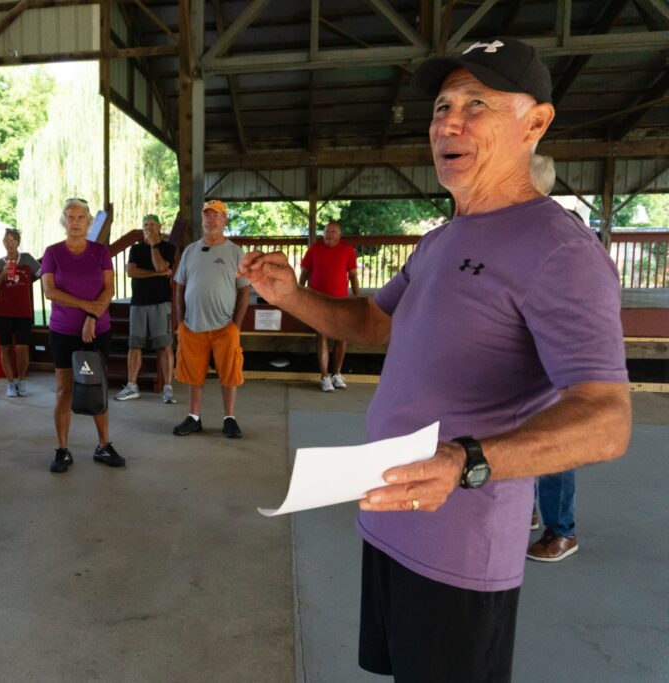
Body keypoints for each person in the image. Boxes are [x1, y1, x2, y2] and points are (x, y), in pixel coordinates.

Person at [238, 38, 631, 681]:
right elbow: (370, 323)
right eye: (443, 105)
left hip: (462, 552)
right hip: (391, 524)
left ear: (535, 123)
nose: (449, 121)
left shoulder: (560, 249)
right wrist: (291, 295)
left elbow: (606, 419)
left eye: (477, 104)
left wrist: (468, 459)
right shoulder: (441, 239)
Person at [40, 198, 124, 473]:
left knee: (97, 387)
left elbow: (109, 289)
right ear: (64, 221)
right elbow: (50, 291)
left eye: (80, 217)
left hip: (97, 331)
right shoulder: (53, 252)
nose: (75, 222)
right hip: (63, 331)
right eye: (70, 217)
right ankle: (62, 450)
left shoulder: (100, 252)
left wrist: (91, 316)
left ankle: (103, 445)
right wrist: (87, 306)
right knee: (64, 391)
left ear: (89, 222)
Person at [525, 153, 580, 562]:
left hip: (557, 355)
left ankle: (561, 530)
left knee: (553, 443)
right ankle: (524, 509)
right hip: (524, 353)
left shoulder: (563, 234)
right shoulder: (516, 230)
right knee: (518, 430)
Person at [172, 200, 251, 439]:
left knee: (229, 373)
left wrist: (236, 325)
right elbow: (179, 287)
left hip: (224, 326)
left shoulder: (236, 252)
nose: (211, 219)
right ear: (203, 219)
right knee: (194, 374)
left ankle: (229, 418)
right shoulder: (190, 250)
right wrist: (180, 323)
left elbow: (245, 291)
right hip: (193, 325)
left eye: (217, 215)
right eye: (207, 215)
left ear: (225, 220)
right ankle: (193, 417)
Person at [114, 213, 177, 404]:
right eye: (145, 224)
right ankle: (132, 385)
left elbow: (161, 266)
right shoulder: (135, 249)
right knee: (135, 345)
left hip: (161, 303)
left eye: (151, 224)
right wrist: (156, 274)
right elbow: (132, 271)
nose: (147, 227)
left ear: (159, 227)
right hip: (139, 303)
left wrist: (153, 246)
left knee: (165, 345)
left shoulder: (168, 248)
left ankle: (167, 387)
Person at [298, 221, 360, 392]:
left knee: (341, 337)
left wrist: (357, 295)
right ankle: (325, 377)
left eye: (333, 231)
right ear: (322, 233)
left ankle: (337, 374)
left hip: (341, 302)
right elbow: (304, 273)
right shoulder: (314, 249)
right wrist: (299, 292)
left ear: (340, 235)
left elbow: (353, 275)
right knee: (322, 336)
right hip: (318, 301)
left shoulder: (348, 250)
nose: (330, 234)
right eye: (327, 231)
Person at [0, 228, 41, 398]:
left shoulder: (27, 259)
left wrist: (30, 279)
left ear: (18, 242)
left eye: (13, 240)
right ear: (3, 243)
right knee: (5, 347)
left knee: (22, 348)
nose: (10, 243)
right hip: (2, 312)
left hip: (23, 311)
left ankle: (22, 381)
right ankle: (10, 383)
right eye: (7, 240)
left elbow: (43, 273)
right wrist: (3, 273)